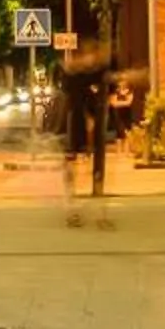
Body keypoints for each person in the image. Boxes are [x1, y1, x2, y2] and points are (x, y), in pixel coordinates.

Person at [55, 36, 116, 228]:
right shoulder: (73, 75)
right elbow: (68, 90)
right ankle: (73, 209)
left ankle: (97, 213)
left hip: (92, 127)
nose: (92, 57)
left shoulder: (97, 73)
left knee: (94, 171)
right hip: (75, 126)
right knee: (72, 167)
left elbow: (111, 82)